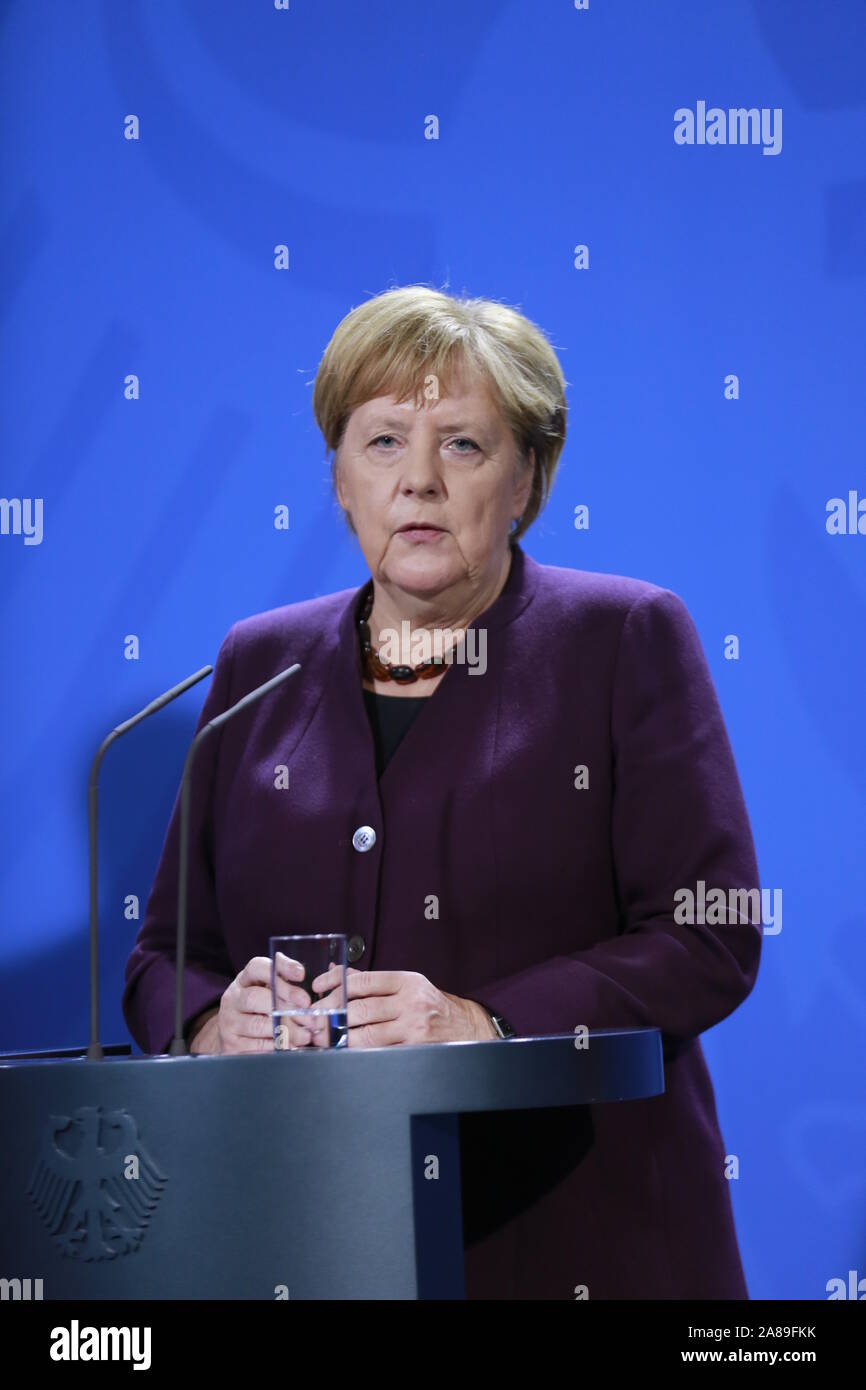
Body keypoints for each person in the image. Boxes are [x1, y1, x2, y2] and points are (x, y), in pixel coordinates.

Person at [123, 285, 762, 1299]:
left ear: (527, 478)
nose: (415, 480)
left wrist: (484, 1020)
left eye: (461, 444)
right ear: (336, 476)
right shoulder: (258, 663)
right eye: (380, 442)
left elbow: (706, 936)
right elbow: (166, 949)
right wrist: (207, 1023)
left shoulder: (622, 638)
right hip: (309, 1239)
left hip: (578, 1238)